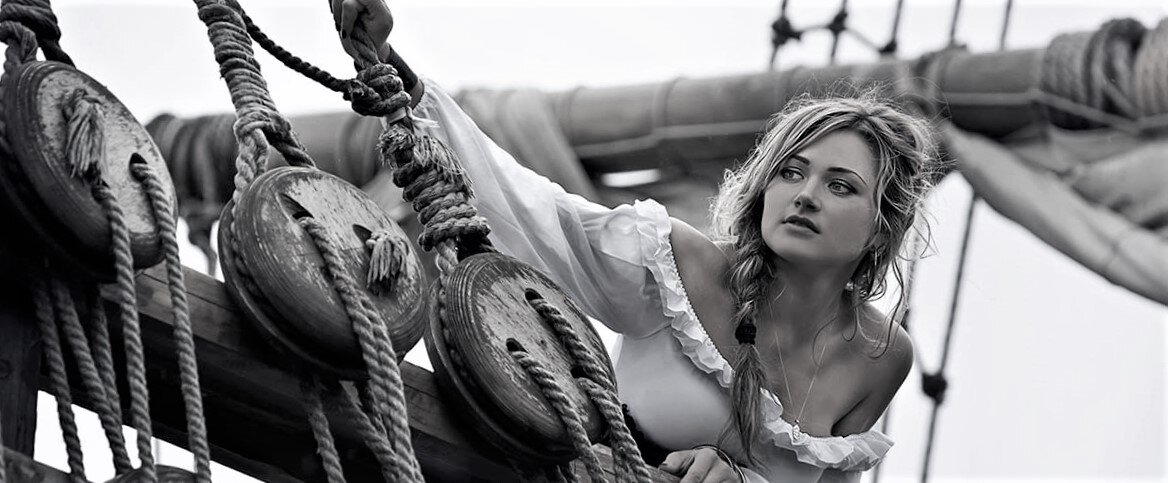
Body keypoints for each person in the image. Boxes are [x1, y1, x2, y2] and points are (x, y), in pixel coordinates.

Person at [331, 1, 941, 481]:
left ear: (881, 226)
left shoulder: (879, 355)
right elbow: (531, 205)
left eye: (840, 186)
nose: (805, 194)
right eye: (790, 170)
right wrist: (391, 65)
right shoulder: (674, 261)